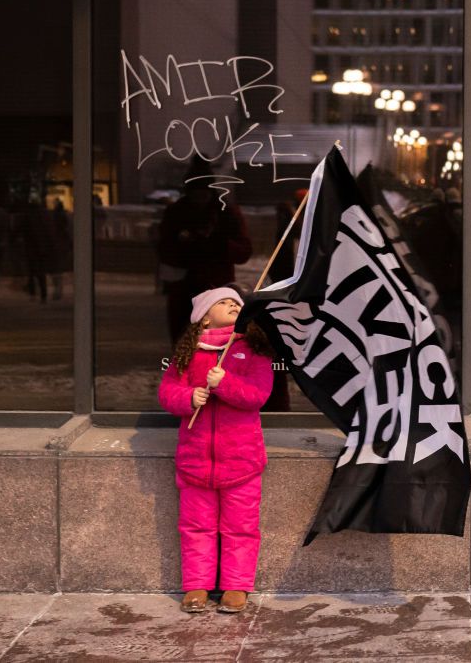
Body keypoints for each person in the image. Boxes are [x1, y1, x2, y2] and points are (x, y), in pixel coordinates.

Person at [158, 287, 274, 614]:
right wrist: (188, 397)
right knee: (196, 527)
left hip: (242, 462)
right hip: (195, 464)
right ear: (204, 316)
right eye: (224, 302)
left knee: (241, 527)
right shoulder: (189, 353)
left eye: (237, 302)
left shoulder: (251, 350)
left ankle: (237, 586)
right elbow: (168, 391)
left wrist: (224, 383)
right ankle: (197, 585)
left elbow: (257, 395)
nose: (233, 305)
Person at [158, 157, 253, 344]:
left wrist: (218, 243)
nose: (199, 200)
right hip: (184, 290)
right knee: (184, 345)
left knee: (216, 346)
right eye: (195, 194)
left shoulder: (225, 214)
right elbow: (165, 250)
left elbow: (244, 252)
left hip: (215, 289)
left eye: (203, 194)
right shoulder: (176, 213)